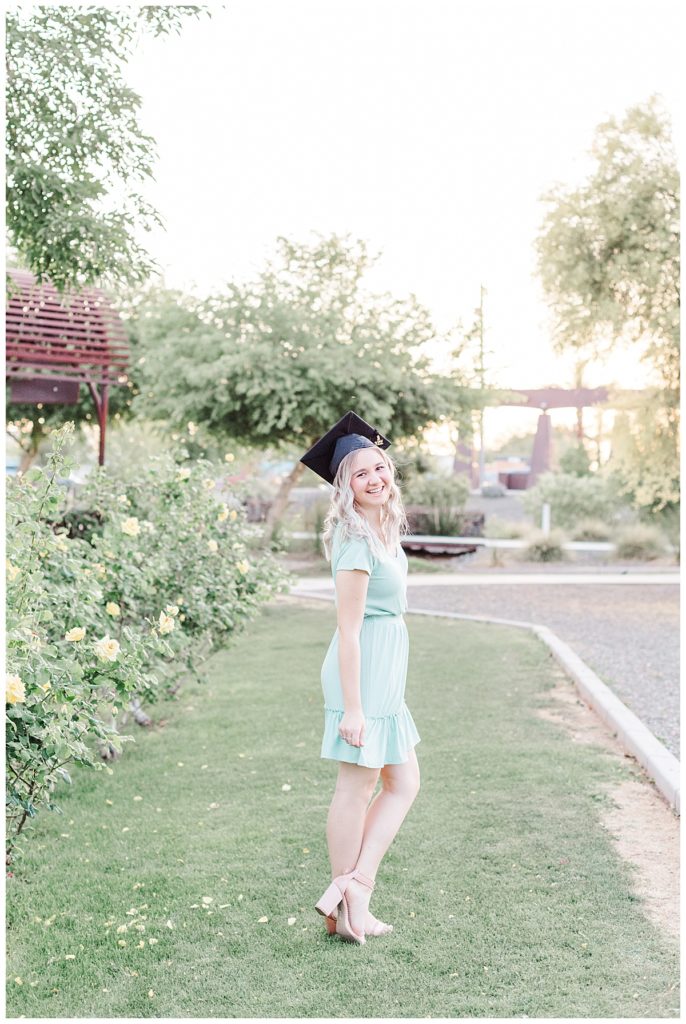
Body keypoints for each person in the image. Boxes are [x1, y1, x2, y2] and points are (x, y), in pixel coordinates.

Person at [300, 411, 421, 945]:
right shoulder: (353, 541)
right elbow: (348, 632)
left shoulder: (381, 530)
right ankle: (351, 898)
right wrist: (353, 707)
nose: (375, 479)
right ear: (344, 486)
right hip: (362, 671)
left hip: (384, 671)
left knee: (403, 783)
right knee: (359, 785)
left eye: (380, 467)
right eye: (360, 474)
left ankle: (352, 891)